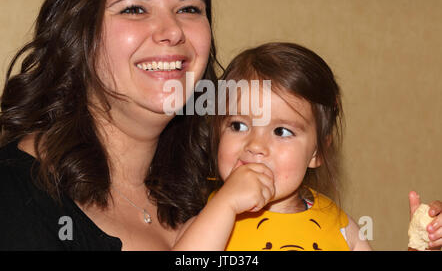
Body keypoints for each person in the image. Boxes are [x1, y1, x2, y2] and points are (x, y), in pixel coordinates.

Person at [0, 0, 221, 250]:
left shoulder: (223, 188)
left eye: (189, 9)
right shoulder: (6, 200)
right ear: (78, 34)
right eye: (135, 9)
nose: (173, 31)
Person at [172, 42, 442, 251]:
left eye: (281, 131)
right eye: (238, 126)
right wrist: (227, 204)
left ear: (318, 152)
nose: (255, 146)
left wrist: (420, 244)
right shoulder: (210, 222)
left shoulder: (341, 227)